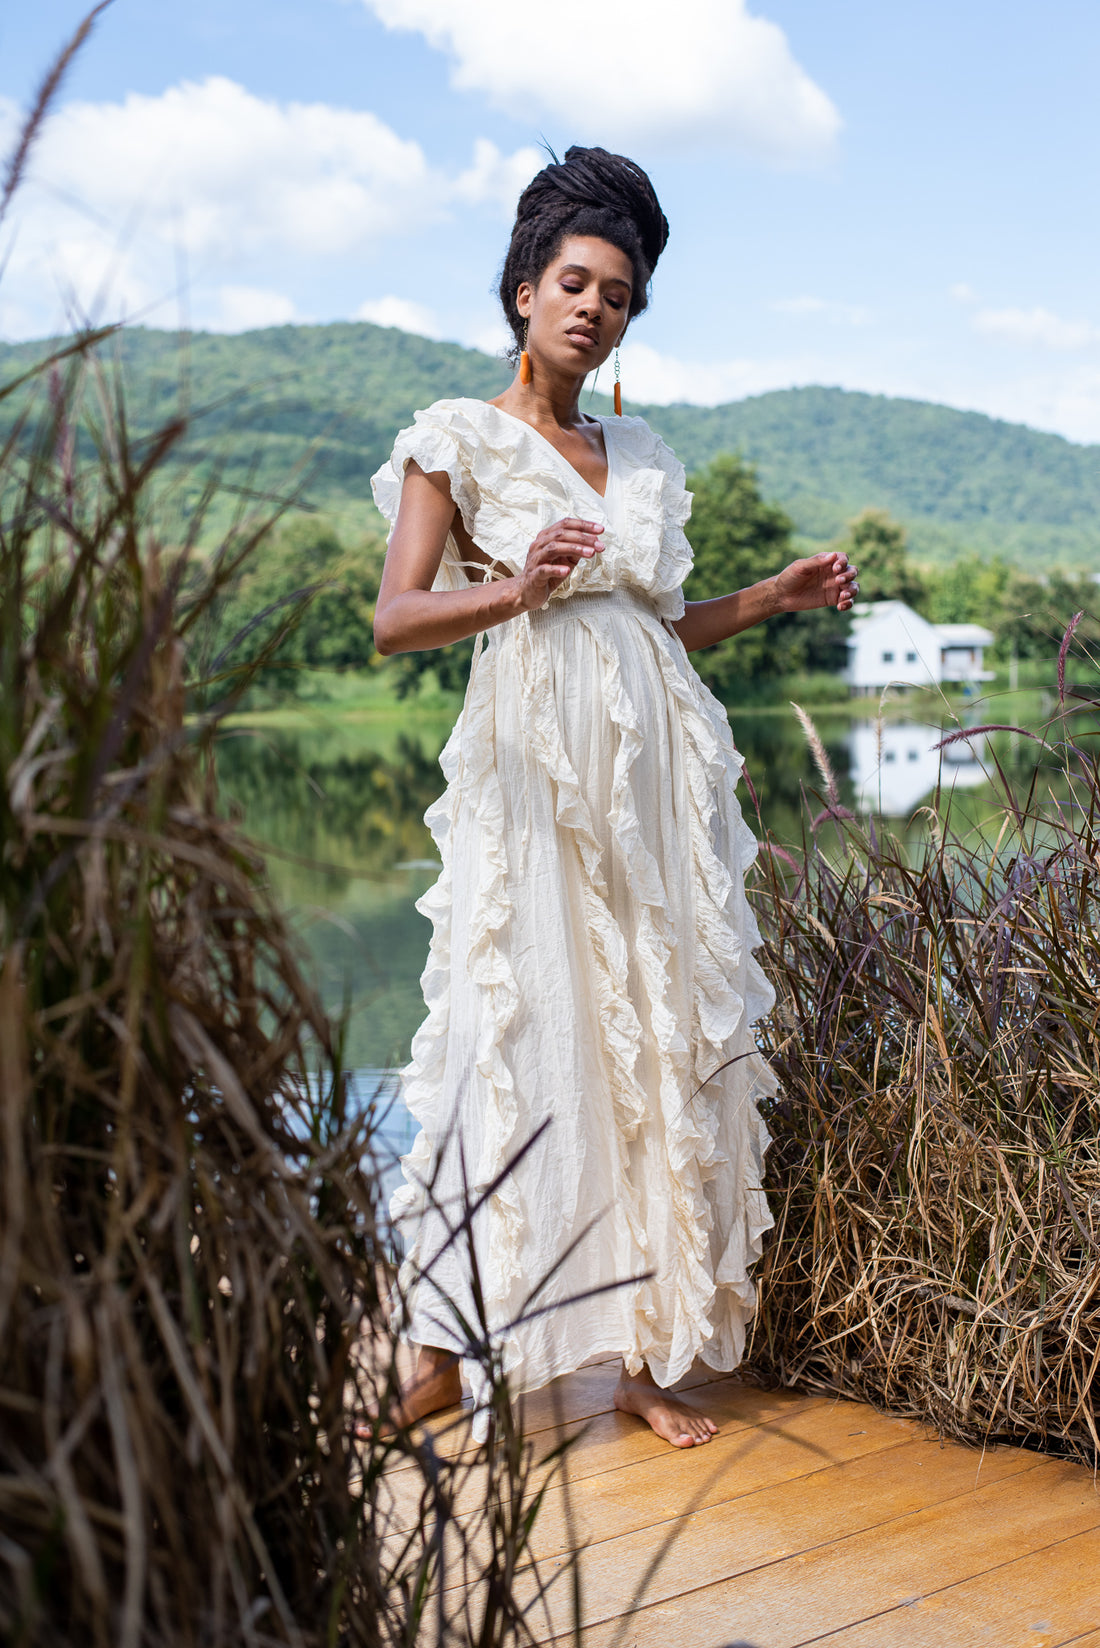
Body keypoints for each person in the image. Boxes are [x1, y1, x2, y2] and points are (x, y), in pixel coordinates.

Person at [371, 146, 857, 1448]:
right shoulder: (453, 439)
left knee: (644, 1042)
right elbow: (397, 617)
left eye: (620, 294)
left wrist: (772, 599)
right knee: (511, 1029)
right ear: (524, 290)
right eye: (574, 281)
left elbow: (657, 622)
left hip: (659, 791)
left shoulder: (639, 453)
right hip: (533, 781)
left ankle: (638, 1350)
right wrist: (516, 589)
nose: (596, 307)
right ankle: (439, 1347)